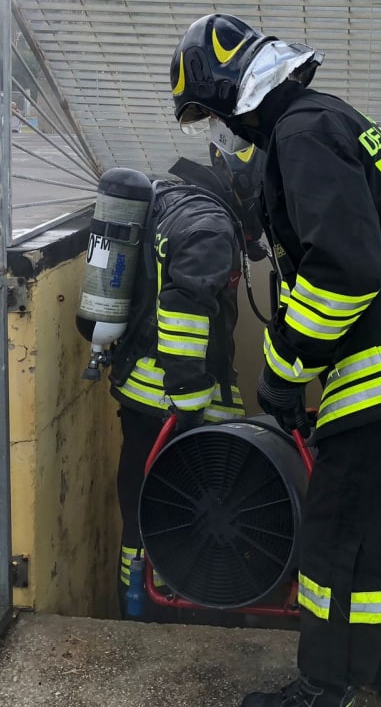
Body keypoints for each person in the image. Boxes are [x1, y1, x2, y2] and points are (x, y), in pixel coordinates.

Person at [170, 14, 381, 707]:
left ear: (233, 96)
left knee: (340, 536)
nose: (218, 137)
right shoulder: (328, 118)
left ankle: (325, 686)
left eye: (210, 116)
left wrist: (281, 374)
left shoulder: (300, 134)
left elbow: (343, 271)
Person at [108, 138, 268, 620]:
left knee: (139, 510)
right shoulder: (212, 227)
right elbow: (181, 310)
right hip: (176, 404)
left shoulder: (172, 200)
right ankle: (186, 614)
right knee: (190, 518)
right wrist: (193, 409)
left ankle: (133, 611)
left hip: (141, 392)